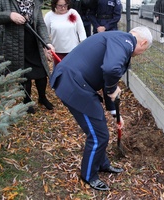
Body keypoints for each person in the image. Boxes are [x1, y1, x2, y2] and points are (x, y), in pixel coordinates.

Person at [49, 26, 153, 191]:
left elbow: (107, 77)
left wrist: (114, 113)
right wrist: (112, 89)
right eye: (143, 50)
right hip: (74, 86)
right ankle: (89, 175)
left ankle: (102, 163)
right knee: (99, 135)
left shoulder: (118, 39)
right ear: (144, 42)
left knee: (99, 130)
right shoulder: (126, 44)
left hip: (75, 82)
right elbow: (111, 70)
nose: (140, 54)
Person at [0, 0, 55, 114]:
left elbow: (40, 23)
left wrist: (47, 43)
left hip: (33, 42)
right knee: (24, 74)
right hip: (14, 44)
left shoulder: (34, 2)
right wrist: (9, 16)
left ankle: (42, 98)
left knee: (41, 73)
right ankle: (27, 100)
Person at [44, 0, 87, 65]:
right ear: (55, 5)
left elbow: (81, 31)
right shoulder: (49, 16)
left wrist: (83, 46)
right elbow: (44, 34)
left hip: (73, 51)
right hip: (57, 53)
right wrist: (46, 49)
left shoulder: (73, 13)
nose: (63, 8)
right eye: (60, 6)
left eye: (65, 5)